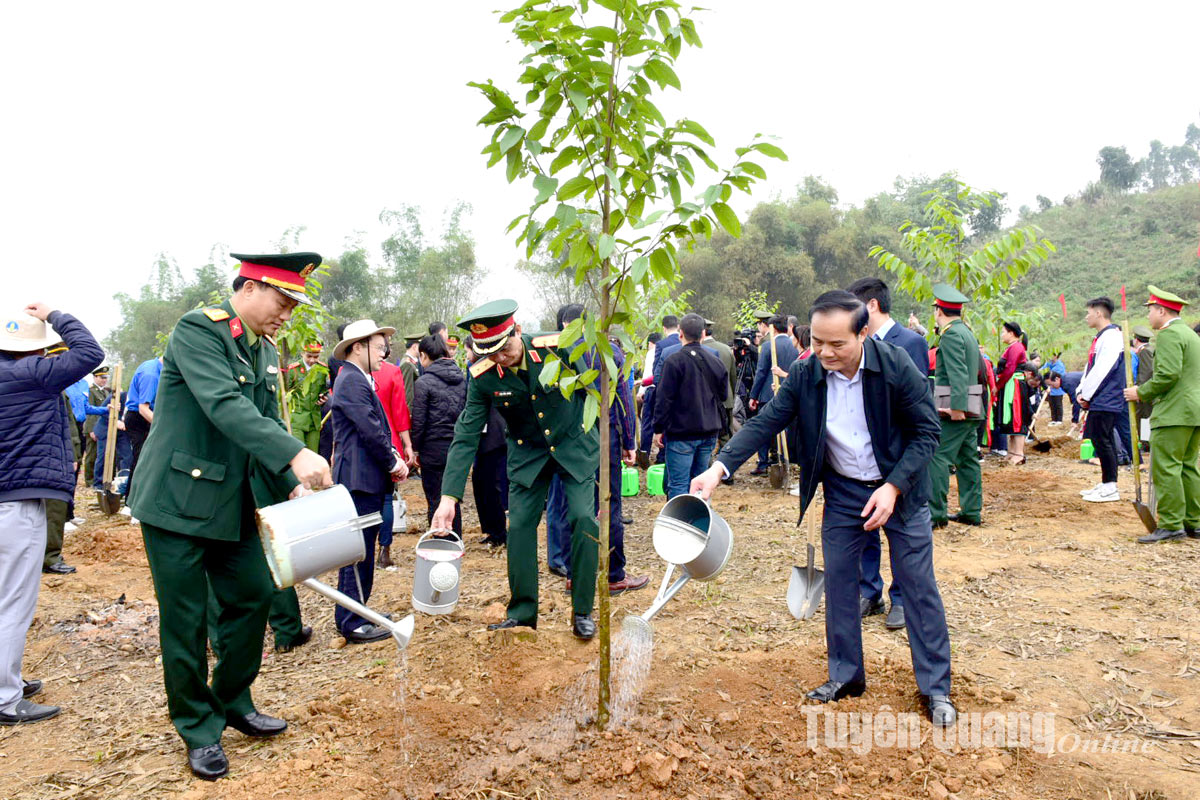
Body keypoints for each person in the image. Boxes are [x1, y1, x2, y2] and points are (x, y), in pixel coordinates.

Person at [690, 290, 956, 727]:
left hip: (900, 491)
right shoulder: (806, 373)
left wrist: (892, 487)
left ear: (863, 333)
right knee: (841, 583)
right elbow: (766, 420)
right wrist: (719, 468)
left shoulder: (895, 367)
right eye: (817, 342)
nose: (826, 353)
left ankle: (935, 689)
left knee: (918, 585)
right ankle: (846, 676)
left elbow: (927, 432)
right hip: (846, 491)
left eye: (837, 344)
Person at [127, 252, 333, 780]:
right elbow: (223, 404)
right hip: (176, 504)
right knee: (187, 619)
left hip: (233, 504)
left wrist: (290, 482)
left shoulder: (263, 349)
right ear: (249, 288)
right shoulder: (200, 330)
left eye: (293, 306)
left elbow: (260, 420)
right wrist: (295, 452)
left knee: (254, 595)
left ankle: (232, 699)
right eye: (283, 302)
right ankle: (198, 728)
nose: (287, 315)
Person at [430, 300, 601, 640]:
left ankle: (582, 609)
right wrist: (448, 497)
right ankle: (522, 613)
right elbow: (465, 436)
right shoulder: (481, 376)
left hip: (572, 445)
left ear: (518, 331)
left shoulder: (557, 349)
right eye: (490, 353)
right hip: (527, 455)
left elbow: (592, 392)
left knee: (583, 518)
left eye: (504, 349)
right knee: (520, 525)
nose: (500, 359)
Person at [1, 303, 102, 727]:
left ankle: (9, 679)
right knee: (13, 602)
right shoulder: (33, 375)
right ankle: (5, 698)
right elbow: (89, 352)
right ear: (38, 349)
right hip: (18, 501)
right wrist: (56, 314)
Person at [847, 278, 932, 624]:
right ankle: (870, 592)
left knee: (900, 533)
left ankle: (900, 597)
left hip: (898, 459)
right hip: (861, 459)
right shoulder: (854, 344)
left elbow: (918, 408)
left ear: (869, 306)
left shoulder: (910, 343)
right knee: (866, 530)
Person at [552, 305, 647, 594]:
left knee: (573, 506)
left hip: (568, 442)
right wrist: (630, 441)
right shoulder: (608, 352)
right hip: (604, 438)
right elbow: (624, 404)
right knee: (608, 505)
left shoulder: (555, 355)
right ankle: (614, 574)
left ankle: (573, 574)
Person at [328, 319, 409, 642]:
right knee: (357, 550)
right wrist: (393, 461)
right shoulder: (351, 380)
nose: (384, 353)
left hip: (365, 478)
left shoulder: (358, 379)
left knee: (363, 547)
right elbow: (369, 429)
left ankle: (359, 611)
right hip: (359, 480)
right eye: (378, 347)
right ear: (357, 347)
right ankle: (351, 620)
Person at [1123, 287, 1200, 543]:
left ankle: (1170, 523)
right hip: (1193, 412)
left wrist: (1140, 392)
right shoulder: (1191, 335)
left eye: (1150, 311)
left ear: (1161, 311)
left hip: (1174, 412)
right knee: (1187, 467)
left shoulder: (1168, 335)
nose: (1149, 317)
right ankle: (1193, 522)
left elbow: (1168, 375)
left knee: (1166, 467)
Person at [928, 284, 984, 534]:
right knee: (967, 458)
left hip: (954, 405)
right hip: (971, 401)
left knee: (937, 457)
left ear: (939, 311)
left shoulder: (950, 335)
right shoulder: (967, 332)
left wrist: (957, 407)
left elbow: (957, 372)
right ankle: (971, 511)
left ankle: (935, 513)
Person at [654, 313, 728, 497]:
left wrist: (658, 428)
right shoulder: (716, 361)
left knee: (678, 485)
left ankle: (679, 524)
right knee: (700, 483)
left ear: (681, 334)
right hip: (709, 431)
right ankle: (698, 522)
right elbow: (723, 395)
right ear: (703, 334)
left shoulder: (674, 362)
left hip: (681, 433)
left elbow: (664, 399)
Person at [411, 334, 466, 537]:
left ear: (424, 356)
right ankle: (455, 537)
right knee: (452, 496)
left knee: (435, 498)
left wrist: (415, 448)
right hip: (457, 448)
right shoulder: (461, 378)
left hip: (432, 449)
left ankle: (439, 541)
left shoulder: (424, 383)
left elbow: (419, 421)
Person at [1077, 297, 1126, 503]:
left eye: (1088, 312)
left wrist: (1086, 395)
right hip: (1100, 397)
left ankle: (1110, 486)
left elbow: (1102, 370)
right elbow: (1091, 368)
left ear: (1099, 313)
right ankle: (1106, 482)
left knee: (1103, 440)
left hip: (1107, 397)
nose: (1086, 317)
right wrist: (1082, 390)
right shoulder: (1102, 337)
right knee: (1098, 439)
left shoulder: (1112, 337)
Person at [462, 337, 509, 547]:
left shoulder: (486, 372)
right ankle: (490, 530)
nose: (465, 356)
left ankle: (499, 532)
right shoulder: (474, 371)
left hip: (493, 438)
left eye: (466, 351)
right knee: (481, 485)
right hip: (482, 438)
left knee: (492, 486)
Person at [372, 345, 414, 568]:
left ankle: (364, 550)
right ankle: (384, 551)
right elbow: (400, 412)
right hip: (389, 442)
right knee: (387, 497)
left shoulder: (346, 372)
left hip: (360, 444)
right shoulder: (392, 372)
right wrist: (407, 445)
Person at [847, 277, 931, 375]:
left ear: (872, 305)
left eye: (852, 308)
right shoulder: (860, 341)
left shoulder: (912, 342)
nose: (849, 315)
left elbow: (918, 388)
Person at [748, 314, 798, 475]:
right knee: (787, 428)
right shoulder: (795, 345)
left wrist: (754, 396)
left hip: (769, 394)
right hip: (790, 393)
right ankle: (785, 459)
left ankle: (763, 463)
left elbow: (761, 372)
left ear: (773, 328)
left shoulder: (769, 346)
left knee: (763, 427)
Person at [123, 355, 163, 493]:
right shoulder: (150, 374)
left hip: (147, 416)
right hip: (139, 418)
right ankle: (131, 499)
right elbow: (143, 408)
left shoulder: (155, 366)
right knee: (142, 459)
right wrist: (162, 426)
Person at [993, 322, 1029, 465]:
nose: (1002, 334)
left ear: (1011, 333)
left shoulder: (1016, 347)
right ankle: (1012, 451)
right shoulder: (1012, 347)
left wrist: (998, 385)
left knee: (1016, 417)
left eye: (1003, 332)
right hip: (1009, 385)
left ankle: (1019, 453)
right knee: (1009, 417)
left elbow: (1009, 368)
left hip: (1014, 385)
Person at [284, 342, 329, 452]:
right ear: (302, 353)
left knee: (313, 454)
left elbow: (323, 390)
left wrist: (323, 399)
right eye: (309, 356)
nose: (312, 360)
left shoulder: (322, 370)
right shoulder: (293, 370)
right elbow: (284, 394)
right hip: (296, 419)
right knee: (298, 453)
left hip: (314, 420)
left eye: (316, 357)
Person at [701, 318, 737, 453]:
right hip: (726, 398)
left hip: (705, 401)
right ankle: (727, 463)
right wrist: (731, 395)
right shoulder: (726, 349)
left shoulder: (698, 350)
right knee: (726, 433)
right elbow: (733, 376)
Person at [82, 366, 109, 485]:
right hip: (92, 427)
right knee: (91, 455)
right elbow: (90, 412)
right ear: (95, 377)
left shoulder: (106, 392)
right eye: (102, 377)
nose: (104, 380)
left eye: (106, 377)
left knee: (101, 454)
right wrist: (92, 430)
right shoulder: (90, 390)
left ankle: (99, 478)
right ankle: (89, 480)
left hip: (103, 428)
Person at [1131, 326, 1155, 444]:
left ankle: (1146, 443)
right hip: (1148, 389)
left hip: (1146, 390)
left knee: (1144, 416)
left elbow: (1146, 372)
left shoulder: (1144, 352)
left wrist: (1140, 391)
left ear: (1136, 340)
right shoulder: (1149, 349)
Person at [398, 332, 423, 412]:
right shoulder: (407, 364)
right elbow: (408, 392)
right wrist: (410, 413)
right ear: (415, 347)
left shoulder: (412, 362)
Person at [1042, 353, 1067, 425]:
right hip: (1050, 388)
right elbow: (1043, 370)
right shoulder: (1049, 363)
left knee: (1058, 404)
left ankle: (1059, 420)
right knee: (1052, 404)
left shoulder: (1060, 365)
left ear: (1056, 356)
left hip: (1057, 389)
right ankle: (1053, 419)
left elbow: (1052, 374)